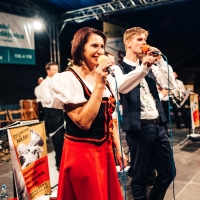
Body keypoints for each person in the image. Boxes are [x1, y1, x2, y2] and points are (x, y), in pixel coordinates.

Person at [49, 27, 128, 200]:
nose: (99, 51)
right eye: (94, 46)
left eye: (102, 46)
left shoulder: (103, 76)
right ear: (80, 48)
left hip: (105, 150)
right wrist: (99, 84)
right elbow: (83, 122)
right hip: (83, 154)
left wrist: (118, 147)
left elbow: (110, 118)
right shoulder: (67, 79)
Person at [112, 27, 176, 200]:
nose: (144, 44)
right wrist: (143, 69)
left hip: (158, 126)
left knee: (168, 172)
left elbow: (170, 85)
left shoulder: (149, 66)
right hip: (139, 128)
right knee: (140, 177)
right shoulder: (118, 69)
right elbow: (122, 87)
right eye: (139, 40)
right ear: (127, 42)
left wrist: (161, 62)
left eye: (145, 40)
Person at [39, 62, 65, 171]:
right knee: (57, 140)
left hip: (61, 111)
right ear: (48, 71)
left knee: (65, 139)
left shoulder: (58, 81)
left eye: (57, 69)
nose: (56, 72)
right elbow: (47, 100)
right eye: (54, 69)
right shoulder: (44, 84)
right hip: (52, 112)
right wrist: (59, 95)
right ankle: (59, 164)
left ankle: (64, 161)